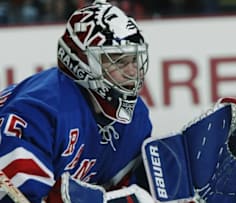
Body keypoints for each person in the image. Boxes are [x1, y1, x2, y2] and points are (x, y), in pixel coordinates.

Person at [0, 0, 153, 202]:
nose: (132, 71)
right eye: (118, 61)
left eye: (133, 59)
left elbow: (126, 191)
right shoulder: (37, 112)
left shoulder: (135, 117)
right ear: (82, 62)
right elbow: (16, 198)